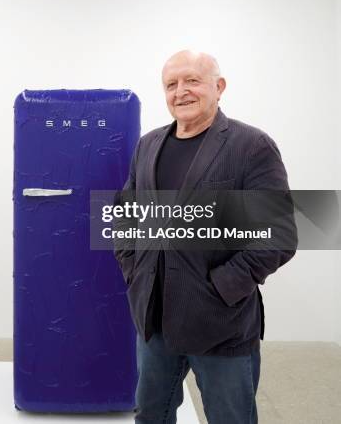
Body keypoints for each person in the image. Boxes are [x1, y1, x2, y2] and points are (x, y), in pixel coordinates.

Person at [113, 50, 296, 424]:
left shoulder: (251, 146)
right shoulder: (147, 145)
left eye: (192, 80)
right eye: (171, 84)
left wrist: (222, 286)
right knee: (151, 414)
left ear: (219, 86)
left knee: (230, 417)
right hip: (154, 319)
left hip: (219, 321)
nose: (181, 91)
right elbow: (125, 214)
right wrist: (133, 268)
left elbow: (279, 234)